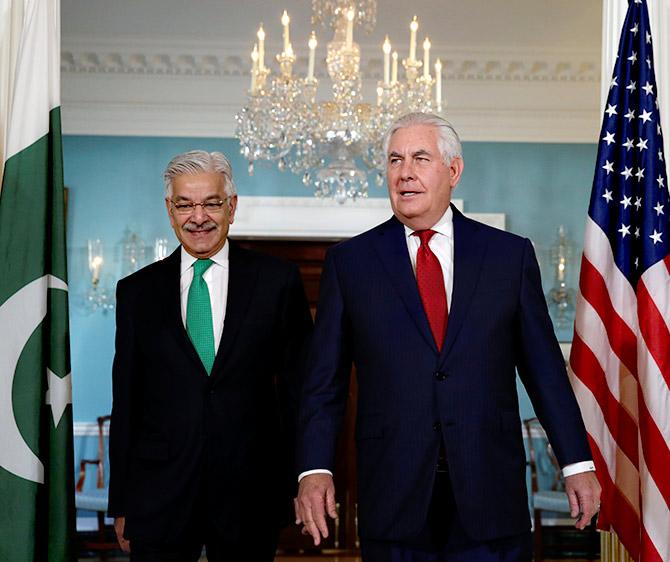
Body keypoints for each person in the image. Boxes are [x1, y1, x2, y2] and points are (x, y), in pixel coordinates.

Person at [294, 113, 601, 561]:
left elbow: (546, 374)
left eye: (420, 158)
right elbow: (324, 384)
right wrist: (313, 468)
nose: (404, 173)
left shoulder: (508, 257)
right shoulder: (350, 263)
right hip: (393, 496)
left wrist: (577, 462)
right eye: (395, 160)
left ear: (453, 171)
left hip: (489, 492)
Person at [108, 150, 312, 562]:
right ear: (170, 211)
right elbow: (126, 402)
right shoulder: (136, 292)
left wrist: (300, 480)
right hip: (158, 497)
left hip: (250, 496)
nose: (197, 216)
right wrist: (122, 502)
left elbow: (300, 393)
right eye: (185, 204)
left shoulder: (277, 281)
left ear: (231, 206)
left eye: (211, 203)